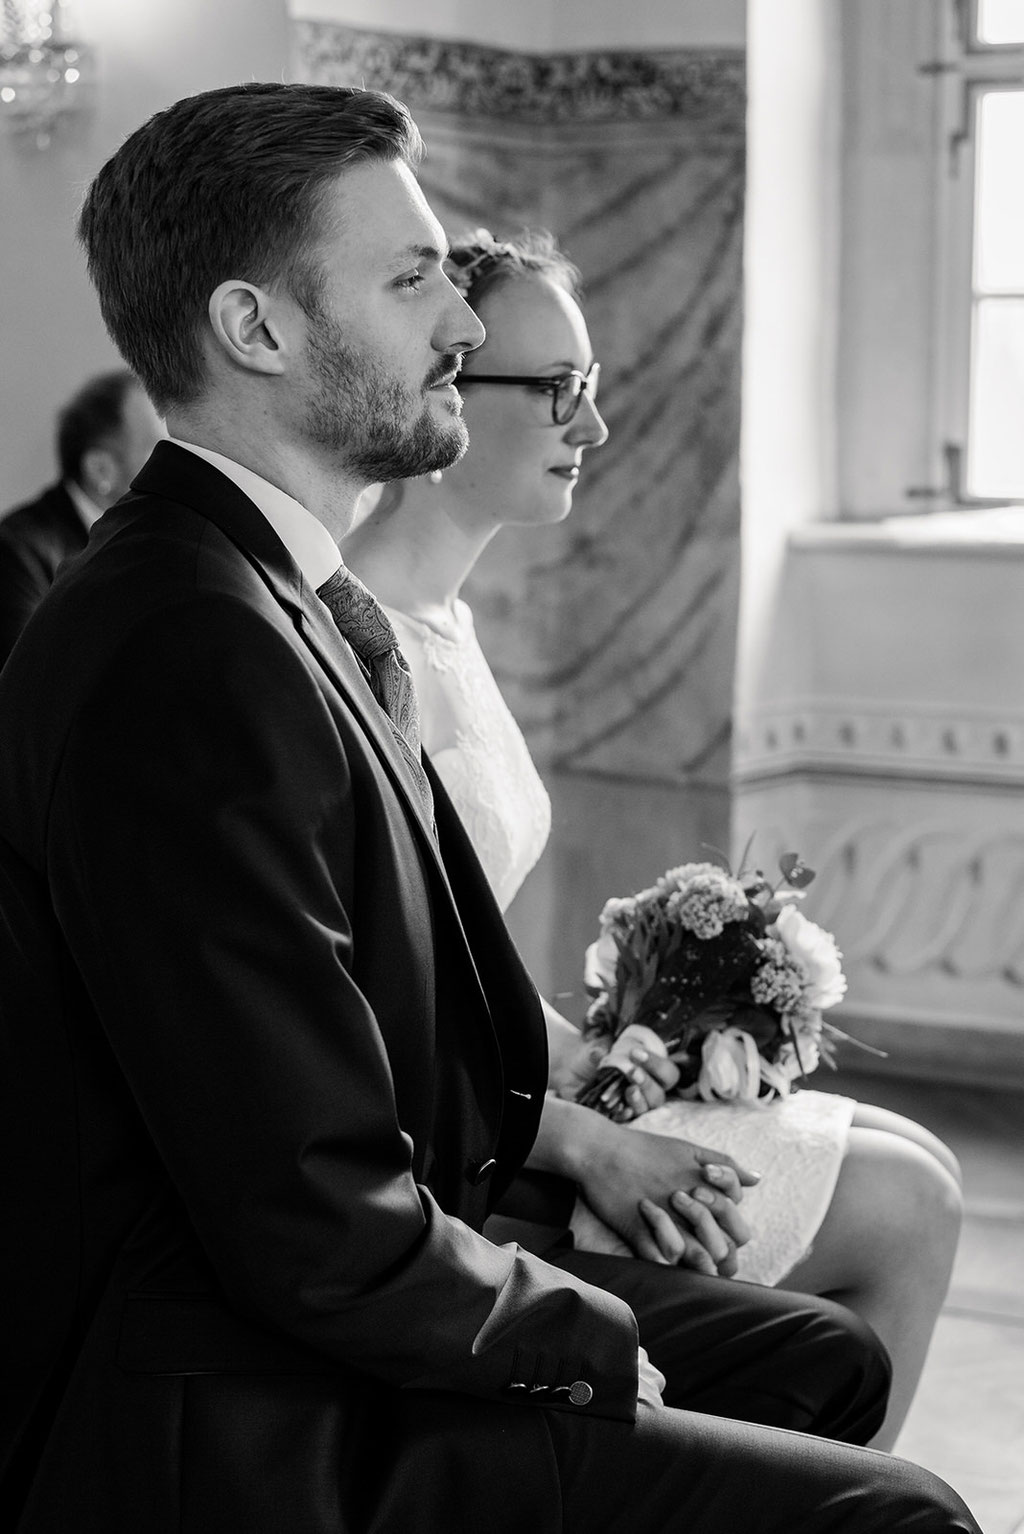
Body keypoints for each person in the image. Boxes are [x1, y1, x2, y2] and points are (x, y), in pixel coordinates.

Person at [0, 83, 979, 1534]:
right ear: (255, 329)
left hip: (333, 1289)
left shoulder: (269, 594)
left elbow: (392, 1038)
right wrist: (580, 1346)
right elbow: (304, 1206)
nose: (460, 327)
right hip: (231, 1392)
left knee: (821, 1358)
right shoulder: (186, 644)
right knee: (897, 1515)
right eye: (409, 282)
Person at [343, 229, 965, 1453]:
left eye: (595, 390)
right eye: (559, 391)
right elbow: (383, 977)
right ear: (441, 378)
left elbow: (461, 949)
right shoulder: (359, 641)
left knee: (905, 1146)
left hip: (519, 1083)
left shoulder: (447, 620)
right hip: (461, 1153)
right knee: (907, 1205)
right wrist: (592, 1129)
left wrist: (632, 1046)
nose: (594, 427)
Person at [0, 369, 163, 666]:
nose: (174, 465)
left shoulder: (165, 544)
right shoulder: (16, 552)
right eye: (159, 450)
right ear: (101, 470)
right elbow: (31, 686)